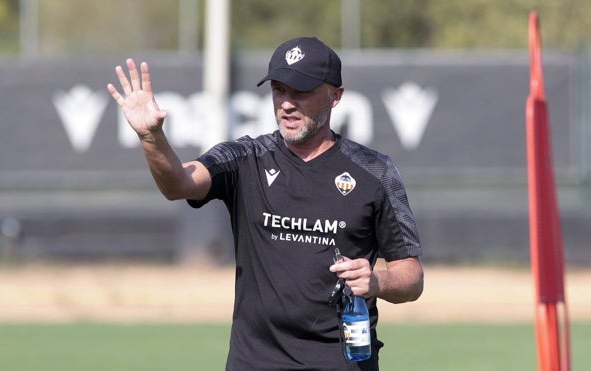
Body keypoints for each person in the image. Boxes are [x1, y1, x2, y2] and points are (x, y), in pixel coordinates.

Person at [107, 36, 424, 371]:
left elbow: (412, 277)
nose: (286, 103)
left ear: (335, 96)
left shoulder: (375, 171)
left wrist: (377, 282)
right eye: (278, 90)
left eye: (300, 91)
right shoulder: (246, 158)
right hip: (255, 362)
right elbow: (178, 184)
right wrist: (151, 137)